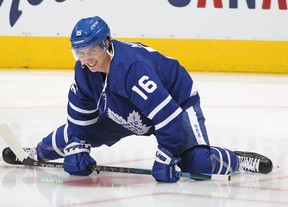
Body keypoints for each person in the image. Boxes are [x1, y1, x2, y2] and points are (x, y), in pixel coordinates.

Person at [3, 16, 273, 182]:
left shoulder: (132, 68)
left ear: (107, 44)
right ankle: (34, 152)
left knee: (198, 166)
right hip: (129, 107)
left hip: (177, 105)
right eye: (79, 53)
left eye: (92, 51)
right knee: (81, 134)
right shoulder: (85, 70)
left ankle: (236, 160)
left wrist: (167, 155)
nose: (86, 60)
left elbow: (168, 117)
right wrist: (77, 145)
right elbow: (80, 115)